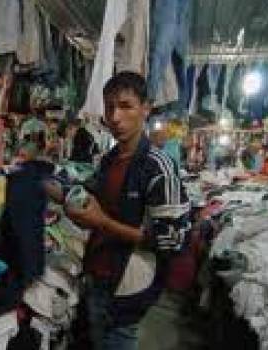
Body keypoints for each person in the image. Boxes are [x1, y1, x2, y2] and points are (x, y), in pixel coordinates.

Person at [47, 72, 189, 350]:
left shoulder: (159, 167)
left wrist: (102, 222)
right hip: (100, 272)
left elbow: (171, 241)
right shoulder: (110, 159)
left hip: (129, 283)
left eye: (126, 106)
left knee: (118, 340)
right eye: (110, 107)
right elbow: (96, 200)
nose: (115, 117)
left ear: (145, 109)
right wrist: (60, 194)